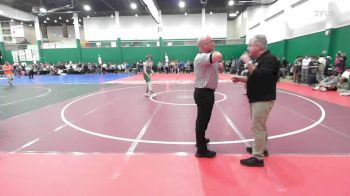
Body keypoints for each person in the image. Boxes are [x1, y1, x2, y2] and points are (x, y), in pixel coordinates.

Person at [232, 35, 280, 167]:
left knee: (257, 126)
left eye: (249, 45)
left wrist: (247, 61)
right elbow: (257, 77)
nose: (248, 48)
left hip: (263, 98)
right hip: (257, 97)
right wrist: (242, 79)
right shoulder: (261, 59)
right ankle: (262, 149)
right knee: (260, 125)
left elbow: (261, 76)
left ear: (258, 46)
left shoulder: (270, 59)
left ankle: (257, 157)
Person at [193, 35, 224, 158]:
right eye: (211, 41)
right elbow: (219, 56)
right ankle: (201, 150)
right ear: (204, 45)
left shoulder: (208, 57)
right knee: (202, 121)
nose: (214, 42)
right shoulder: (201, 57)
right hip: (203, 93)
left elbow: (218, 67)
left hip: (206, 92)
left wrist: (221, 67)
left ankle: (200, 140)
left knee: (203, 120)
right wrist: (217, 57)